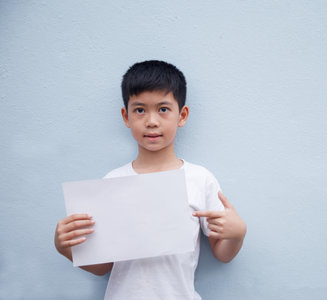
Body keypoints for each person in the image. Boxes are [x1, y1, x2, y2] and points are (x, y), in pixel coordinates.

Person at [54, 60, 247, 299]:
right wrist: (67, 249)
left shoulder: (200, 179)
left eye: (163, 109)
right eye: (140, 110)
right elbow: (104, 266)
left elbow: (223, 254)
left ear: (182, 115)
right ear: (126, 116)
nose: (152, 121)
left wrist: (237, 233)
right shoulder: (113, 182)